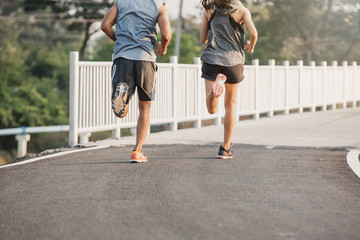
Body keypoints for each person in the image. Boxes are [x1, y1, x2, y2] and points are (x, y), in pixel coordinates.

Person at [101, 0, 171, 163]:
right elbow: (166, 35)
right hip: (145, 59)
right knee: (145, 106)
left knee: (121, 111)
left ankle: (122, 99)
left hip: (123, 58)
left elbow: (105, 25)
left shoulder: (121, 2)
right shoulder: (158, 6)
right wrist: (164, 46)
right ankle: (137, 150)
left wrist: (118, 41)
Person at [200, 0, 258, 159]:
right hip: (233, 62)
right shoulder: (242, 10)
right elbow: (253, 33)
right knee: (230, 104)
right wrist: (251, 46)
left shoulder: (209, 9)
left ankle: (214, 91)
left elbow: (203, 38)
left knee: (211, 109)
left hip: (212, 59)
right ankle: (225, 148)